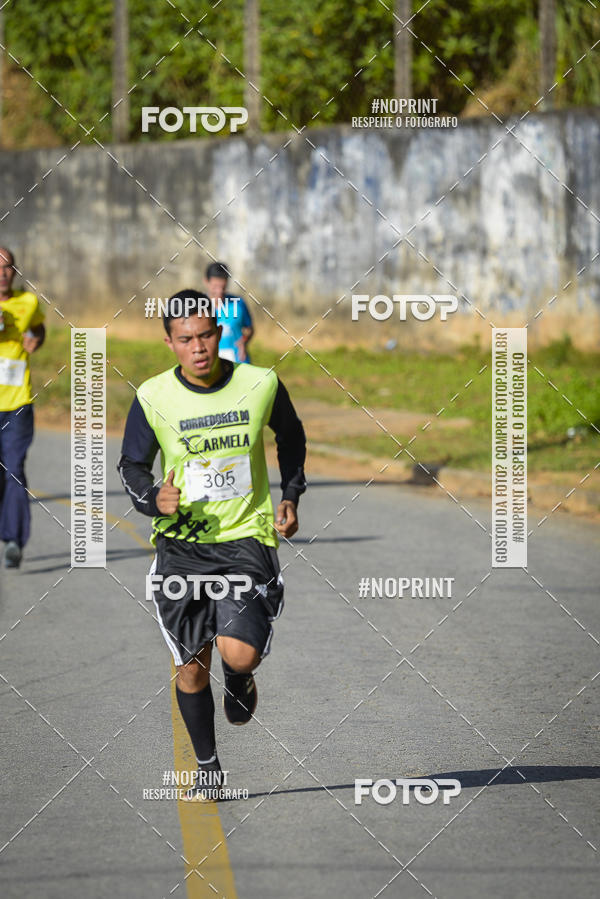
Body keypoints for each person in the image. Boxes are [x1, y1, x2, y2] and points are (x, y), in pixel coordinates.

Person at [118, 289, 306, 800]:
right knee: (191, 667)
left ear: (219, 334)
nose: (197, 347)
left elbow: (290, 436)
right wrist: (153, 498)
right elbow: (132, 465)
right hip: (181, 547)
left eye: (205, 336)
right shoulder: (153, 396)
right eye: (185, 339)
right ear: (169, 343)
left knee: (239, 655)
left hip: (244, 539)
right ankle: (208, 767)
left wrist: (290, 495)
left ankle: (239, 679)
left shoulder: (260, 383)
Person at [0, 247, 45, 569]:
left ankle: (14, 540)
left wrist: (36, 339)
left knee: (14, 468)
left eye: (7, 267)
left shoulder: (28, 302)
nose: (2, 273)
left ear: (15, 272)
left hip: (17, 404)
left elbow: (38, 327)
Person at [204, 261, 254, 364]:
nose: (219, 291)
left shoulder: (239, 303)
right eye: (215, 287)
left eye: (223, 287)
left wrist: (243, 341)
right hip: (209, 362)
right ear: (206, 282)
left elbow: (249, 329)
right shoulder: (197, 305)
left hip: (238, 361)